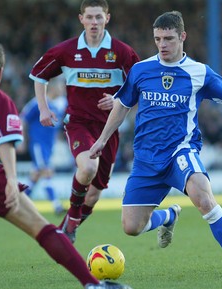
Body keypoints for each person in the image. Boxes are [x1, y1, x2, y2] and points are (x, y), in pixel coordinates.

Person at [90, 11, 222, 277]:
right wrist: (102, 139)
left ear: (182, 37)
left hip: (180, 152)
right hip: (146, 159)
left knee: (204, 198)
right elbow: (122, 105)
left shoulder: (199, 73)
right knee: (132, 227)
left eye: (169, 39)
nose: (162, 45)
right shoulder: (141, 70)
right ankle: (169, 216)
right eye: (158, 39)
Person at [0, 39, 132, 289]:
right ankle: (93, 284)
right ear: (0, 72)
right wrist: (10, 178)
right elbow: (5, 141)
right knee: (40, 227)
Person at [29, 0, 140, 243]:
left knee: (94, 195)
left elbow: (139, 88)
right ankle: (69, 225)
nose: (94, 22)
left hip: (108, 128)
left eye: (98, 17)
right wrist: (43, 109)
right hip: (78, 123)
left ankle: (66, 227)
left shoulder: (121, 52)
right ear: (81, 19)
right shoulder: (66, 51)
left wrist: (119, 100)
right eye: (89, 17)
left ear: (107, 18)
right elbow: (38, 75)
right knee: (88, 167)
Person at [20, 76, 67, 215]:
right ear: (52, 87)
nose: (63, 89)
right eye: (60, 86)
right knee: (47, 171)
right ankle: (56, 205)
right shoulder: (38, 103)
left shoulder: (60, 103)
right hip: (38, 144)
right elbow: (22, 119)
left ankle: (21, 202)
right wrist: (22, 140)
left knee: (35, 175)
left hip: (49, 146)